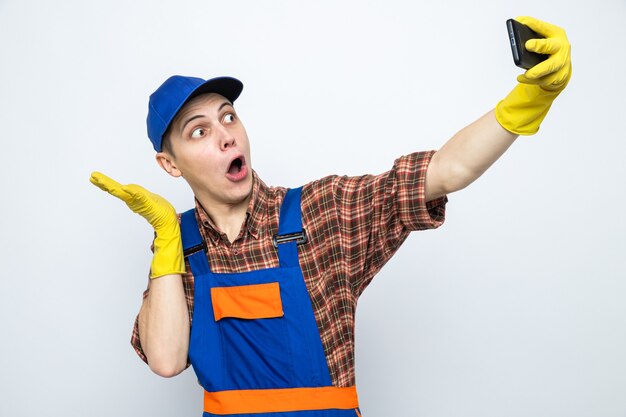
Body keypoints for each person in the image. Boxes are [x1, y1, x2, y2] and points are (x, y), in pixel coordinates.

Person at [90, 16, 571, 417]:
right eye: (199, 132)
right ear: (169, 165)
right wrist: (166, 239)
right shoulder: (179, 247)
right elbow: (166, 360)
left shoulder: (321, 215)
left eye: (229, 116)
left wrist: (526, 103)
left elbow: (444, 172)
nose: (226, 136)